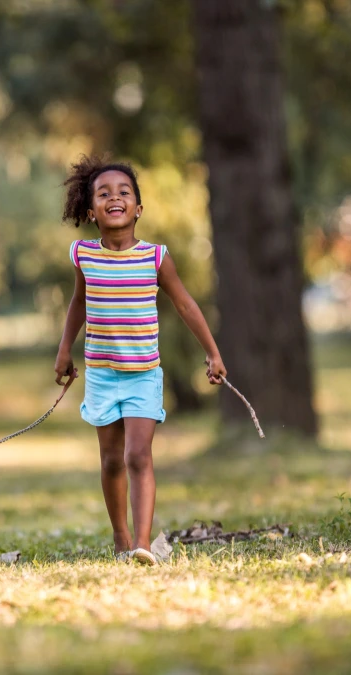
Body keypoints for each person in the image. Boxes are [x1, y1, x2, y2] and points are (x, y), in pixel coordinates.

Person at [54, 155, 227, 565]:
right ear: (92, 210)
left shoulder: (154, 257)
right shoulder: (84, 256)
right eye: (104, 194)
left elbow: (185, 305)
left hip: (143, 374)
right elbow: (79, 303)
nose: (115, 198)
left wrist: (213, 352)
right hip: (100, 373)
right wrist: (64, 350)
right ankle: (121, 538)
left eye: (124, 192)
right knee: (111, 459)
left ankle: (143, 546)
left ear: (138, 209)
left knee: (138, 455)